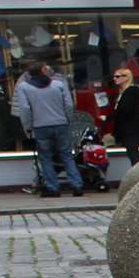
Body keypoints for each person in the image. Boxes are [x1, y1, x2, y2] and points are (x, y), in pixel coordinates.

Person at [13, 62, 85, 197]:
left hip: (40, 126)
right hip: (60, 123)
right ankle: (77, 185)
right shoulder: (58, 84)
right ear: (43, 70)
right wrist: (67, 119)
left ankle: (53, 187)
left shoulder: (25, 87)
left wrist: (28, 126)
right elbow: (69, 104)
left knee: (45, 158)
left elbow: (25, 108)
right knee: (67, 155)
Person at [108, 64, 139, 165]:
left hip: (131, 128)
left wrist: (108, 118)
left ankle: (138, 175)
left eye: (117, 76)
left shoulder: (132, 91)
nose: (114, 79)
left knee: (133, 153)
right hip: (125, 128)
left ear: (126, 77)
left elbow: (124, 110)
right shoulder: (122, 93)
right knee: (132, 153)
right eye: (114, 76)